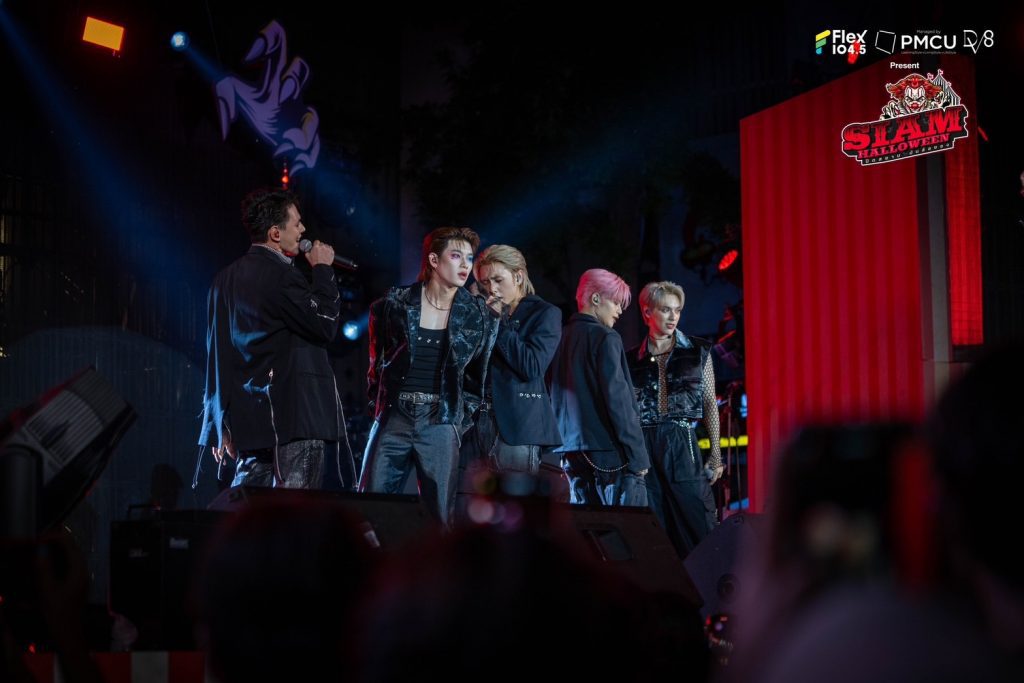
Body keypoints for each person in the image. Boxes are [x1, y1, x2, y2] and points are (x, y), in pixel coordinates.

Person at [198, 188, 354, 490]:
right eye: (297, 223)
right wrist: (323, 270)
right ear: (275, 233)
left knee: (250, 510)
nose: (303, 230)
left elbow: (217, 356)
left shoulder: (223, 281)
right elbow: (324, 324)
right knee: (293, 512)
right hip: (295, 418)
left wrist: (219, 423)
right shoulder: (283, 276)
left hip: (250, 422)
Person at [359, 227, 498, 525]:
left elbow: (477, 378)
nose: (465, 265)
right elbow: (376, 364)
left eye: (469, 258)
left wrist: (455, 424)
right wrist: (380, 409)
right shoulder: (394, 303)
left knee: (440, 518)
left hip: (440, 420)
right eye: (456, 256)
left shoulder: (478, 314)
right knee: (371, 507)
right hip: (394, 416)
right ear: (434, 260)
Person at [627, 281, 721, 558]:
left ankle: (707, 580)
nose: (673, 317)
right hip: (644, 443)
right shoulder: (630, 359)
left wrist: (716, 453)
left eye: (677, 310)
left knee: (697, 519)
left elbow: (709, 402)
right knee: (654, 525)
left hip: (681, 440)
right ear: (647, 312)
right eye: (665, 310)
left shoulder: (697, 351)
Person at [548, 268, 649, 506]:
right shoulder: (605, 337)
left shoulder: (557, 338)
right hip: (608, 451)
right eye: (616, 302)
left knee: (587, 525)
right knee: (627, 526)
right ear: (595, 298)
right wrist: (638, 455)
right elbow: (618, 402)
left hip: (569, 450)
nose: (620, 310)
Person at [469, 244, 562, 477]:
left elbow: (532, 366)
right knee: (469, 499)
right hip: (474, 425)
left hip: (516, 427)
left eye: (498, 280)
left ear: (518, 276)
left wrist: (498, 322)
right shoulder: (481, 314)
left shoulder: (544, 313)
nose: (492, 289)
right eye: (485, 282)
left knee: (515, 497)